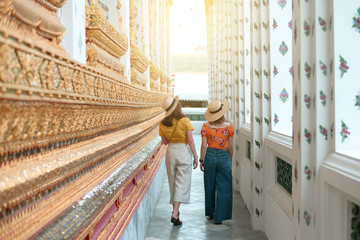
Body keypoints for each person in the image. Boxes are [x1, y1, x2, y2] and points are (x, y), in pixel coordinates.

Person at [159, 95, 198, 225]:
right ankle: (175, 212)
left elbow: (164, 142)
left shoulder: (162, 123)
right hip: (183, 151)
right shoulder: (185, 121)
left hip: (170, 152)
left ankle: (175, 211)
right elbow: (190, 140)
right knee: (181, 181)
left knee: (172, 181)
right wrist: (196, 156)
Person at [199, 99, 234, 225]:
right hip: (224, 156)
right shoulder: (229, 127)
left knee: (209, 185)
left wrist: (201, 160)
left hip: (209, 156)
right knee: (224, 186)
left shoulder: (205, 127)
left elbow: (203, 145)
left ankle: (211, 213)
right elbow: (230, 147)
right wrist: (230, 159)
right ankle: (220, 217)